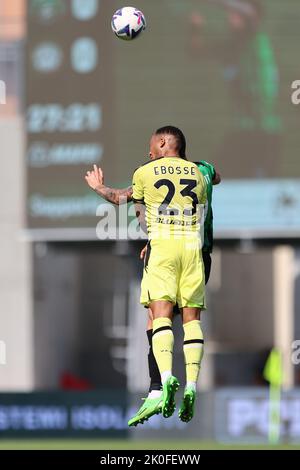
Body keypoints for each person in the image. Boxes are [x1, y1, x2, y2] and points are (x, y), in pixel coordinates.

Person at [85, 126, 221, 424]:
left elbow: (123, 200)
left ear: (162, 143)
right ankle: (191, 386)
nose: (149, 152)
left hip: (164, 248)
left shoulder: (146, 171)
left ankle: (162, 383)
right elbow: (214, 178)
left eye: (152, 145)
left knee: (157, 316)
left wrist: (99, 188)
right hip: (197, 250)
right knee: (191, 320)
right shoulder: (202, 172)